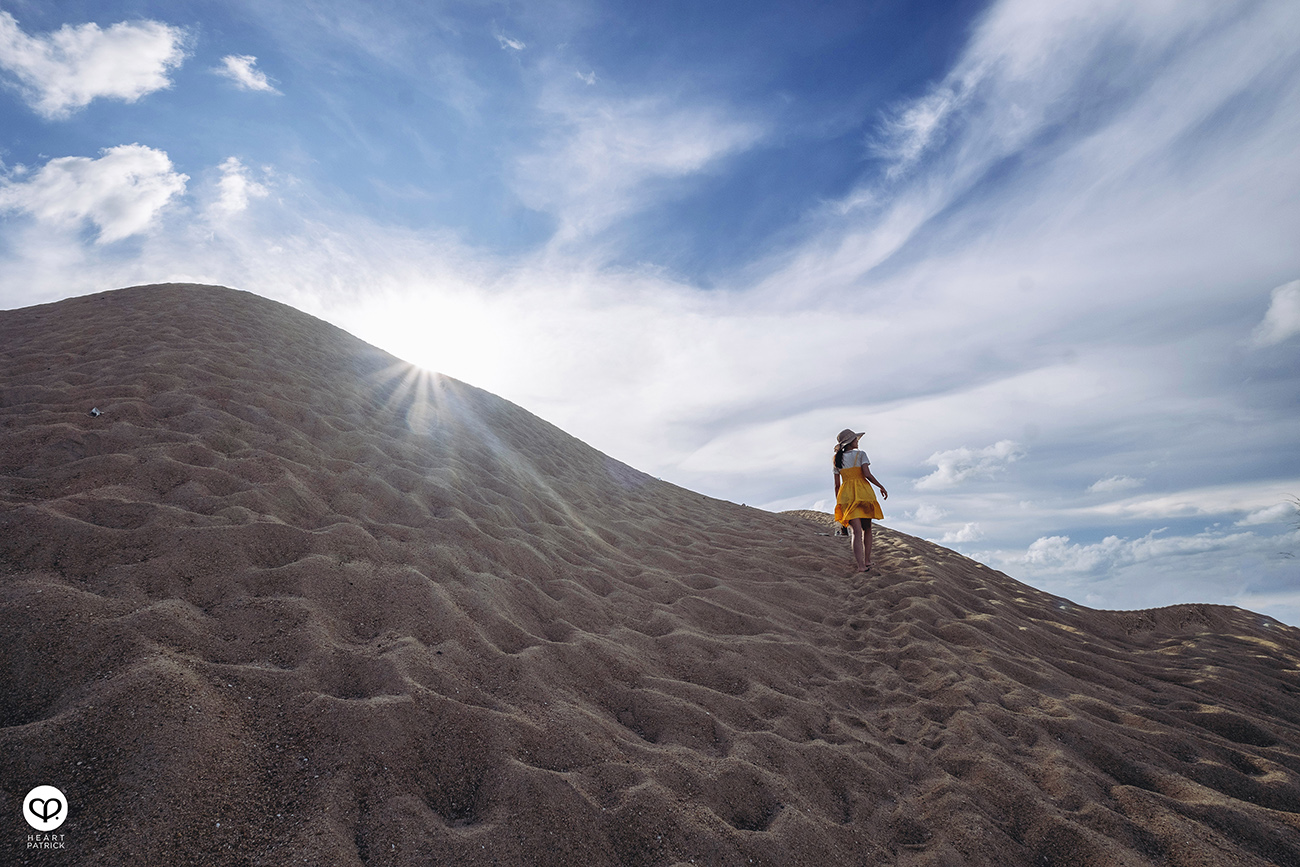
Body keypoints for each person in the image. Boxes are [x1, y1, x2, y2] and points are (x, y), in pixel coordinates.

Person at [833, 428, 888, 573]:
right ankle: (867, 560)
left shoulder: (837, 459)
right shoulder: (861, 454)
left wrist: (839, 503)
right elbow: (867, 475)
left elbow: (837, 485)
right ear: (851, 442)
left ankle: (861, 566)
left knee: (856, 532)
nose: (858, 442)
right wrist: (881, 486)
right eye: (856, 439)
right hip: (863, 493)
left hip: (846, 496)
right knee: (867, 529)